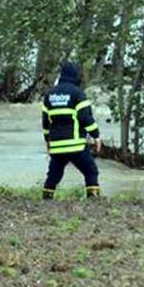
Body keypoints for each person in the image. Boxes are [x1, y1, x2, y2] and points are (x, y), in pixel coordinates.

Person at [41, 62, 102, 200]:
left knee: (54, 175)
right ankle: (93, 199)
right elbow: (85, 118)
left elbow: (45, 122)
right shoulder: (77, 94)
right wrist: (96, 136)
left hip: (57, 146)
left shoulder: (50, 95)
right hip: (76, 145)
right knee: (91, 171)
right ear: (76, 75)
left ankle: (46, 199)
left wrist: (47, 141)